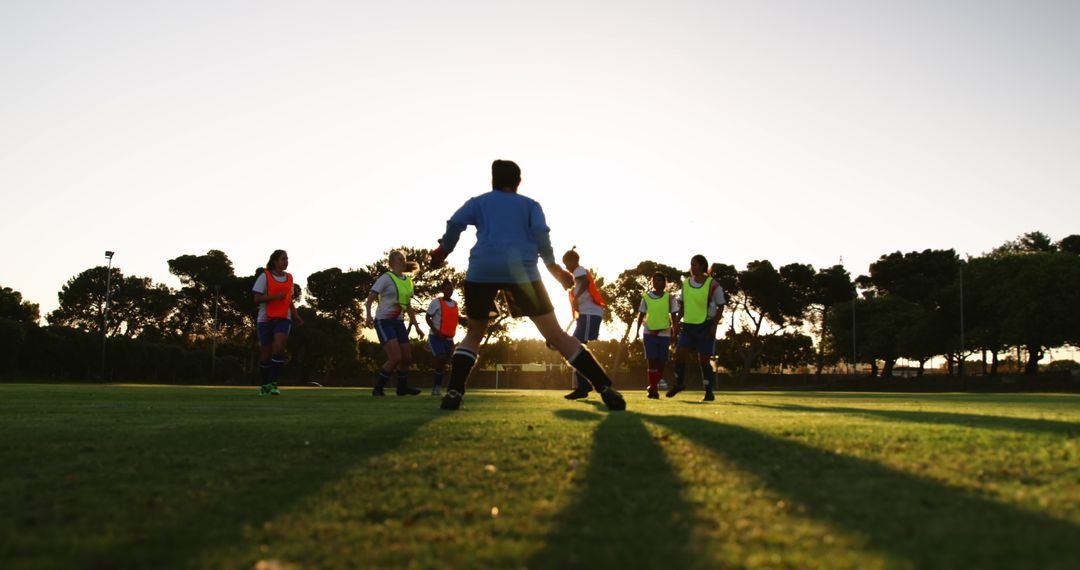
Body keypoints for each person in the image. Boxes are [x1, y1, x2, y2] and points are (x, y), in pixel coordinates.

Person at [428, 159, 626, 411]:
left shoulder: (478, 202)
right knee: (556, 335)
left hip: (482, 270)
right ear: (518, 182)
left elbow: (455, 223)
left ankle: (455, 390)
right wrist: (554, 269)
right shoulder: (530, 205)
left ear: (493, 180)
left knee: (473, 335)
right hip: (522, 273)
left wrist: (443, 250)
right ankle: (605, 387)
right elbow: (542, 235)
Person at [365, 250, 425, 396]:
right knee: (396, 358)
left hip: (398, 322)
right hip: (384, 321)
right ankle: (378, 388)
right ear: (392, 263)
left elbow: (408, 305)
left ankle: (402, 388)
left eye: (404, 259)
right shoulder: (386, 278)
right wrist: (368, 316)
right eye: (400, 259)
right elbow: (371, 297)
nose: (403, 261)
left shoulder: (408, 281)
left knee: (407, 358)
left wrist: (417, 326)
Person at [668, 254, 726, 401]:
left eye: (694, 264)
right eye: (691, 264)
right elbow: (683, 305)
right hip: (688, 326)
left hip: (706, 325)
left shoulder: (713, 284)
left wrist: (714, 325)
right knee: (679, 355)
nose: (692, 267)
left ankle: (708, 392)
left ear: (702, 266)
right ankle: (679, 384)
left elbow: (721, 306)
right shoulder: (686, 283)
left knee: (704, 361)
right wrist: (676, 322)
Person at [251, 249, 304, 396]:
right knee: (266, 353)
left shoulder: (289, 278)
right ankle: (265, 384)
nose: (286, 261)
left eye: (287, 259)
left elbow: (288, 299)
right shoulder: (265, 276)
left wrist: (295, 313)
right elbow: (256, 299)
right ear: (275, 261)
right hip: (265, 319)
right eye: (283, 259)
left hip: (283, 318)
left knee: (279, 348)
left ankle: (274, 384)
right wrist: (274, 297)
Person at [562, 247, 607, 400]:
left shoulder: (579, 271)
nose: (566, 267)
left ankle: (584, 386)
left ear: (573, 261)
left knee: (575, 348)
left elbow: (585, 282)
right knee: (576, 348)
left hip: (590, 313)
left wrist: (576, 298)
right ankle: (583, 385)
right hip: (586, 315)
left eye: (566, 263)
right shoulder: (576, 273)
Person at [634, 272, 680, 399]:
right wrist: (637, 331)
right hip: (649, 333)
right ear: (652, 282)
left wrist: (675, 332)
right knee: (652, 360)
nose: (657, 282)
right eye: (654, 280)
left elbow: (674, 316)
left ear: (664, 283)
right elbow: (641, 315)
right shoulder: (646, 297)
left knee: (662, 362)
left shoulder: (670, 298)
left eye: (659, 280)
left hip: (664, 333)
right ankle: (653, 389)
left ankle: (652, 386)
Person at [425, 278, 460, 396]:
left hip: (449, 339)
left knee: (449, 362)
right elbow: (427, 317)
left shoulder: (455, 304)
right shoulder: (436, 302)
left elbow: (456, 318)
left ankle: (451, 387)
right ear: (443, 290)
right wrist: (435, 331)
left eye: (451, 289)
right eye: (447, 289)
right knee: (441, 358)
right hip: (436, 337)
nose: (449, 291)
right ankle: (436, 387)